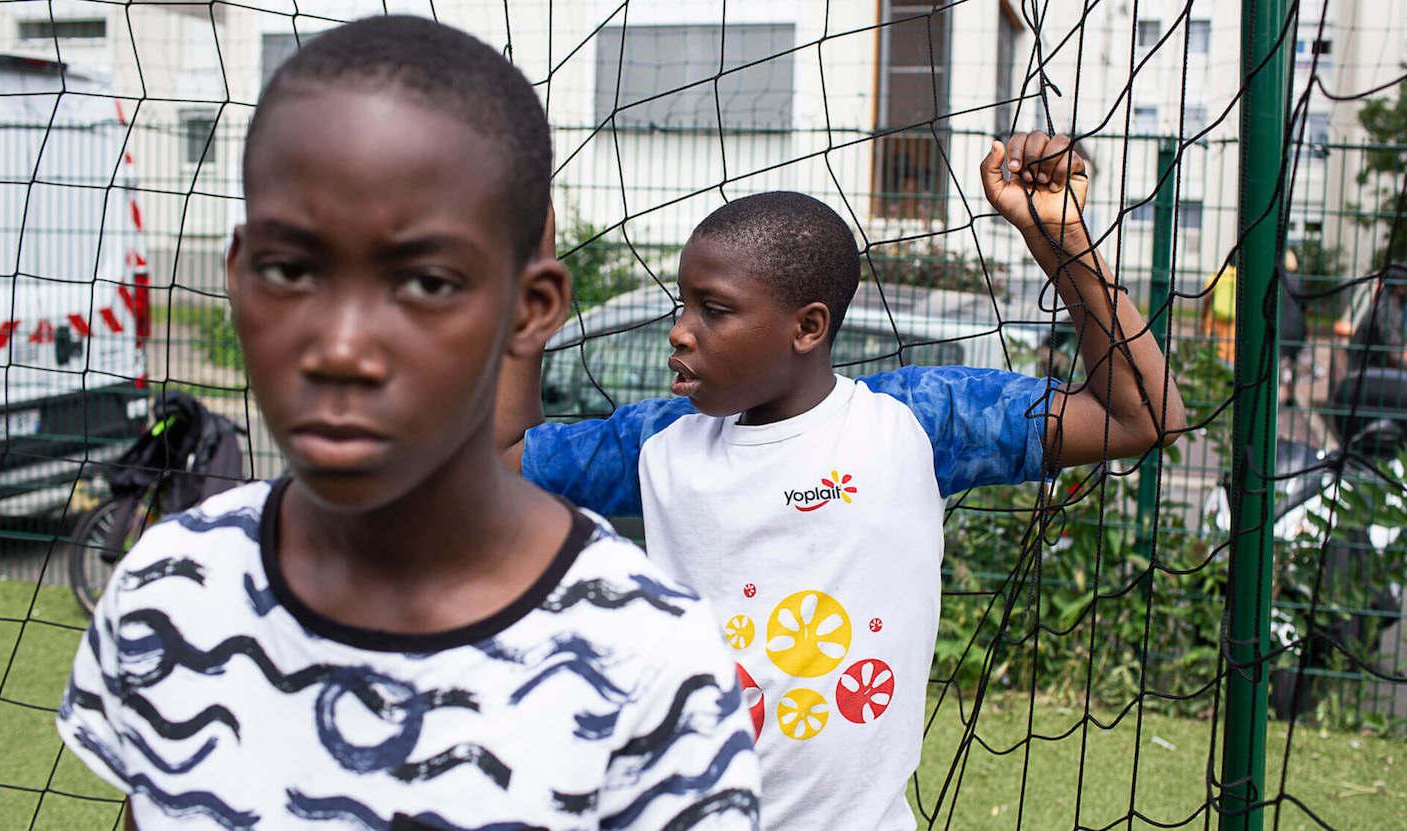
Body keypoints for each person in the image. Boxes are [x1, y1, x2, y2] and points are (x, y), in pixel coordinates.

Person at [56, 16, 759, 830]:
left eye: (426, 283)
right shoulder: (169, 587)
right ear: (238, 274)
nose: (342, 348)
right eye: (289, 270)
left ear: (531, 311)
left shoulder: (651, 663)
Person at [498, 132, 1186, 830]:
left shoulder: (918, 422)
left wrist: (1062, 239)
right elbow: (503, 467)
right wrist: (524, 278)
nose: (679, 331)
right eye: (683, 304)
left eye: (713, 308)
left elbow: (1141, 416)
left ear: (808, 326)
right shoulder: (658, 442)